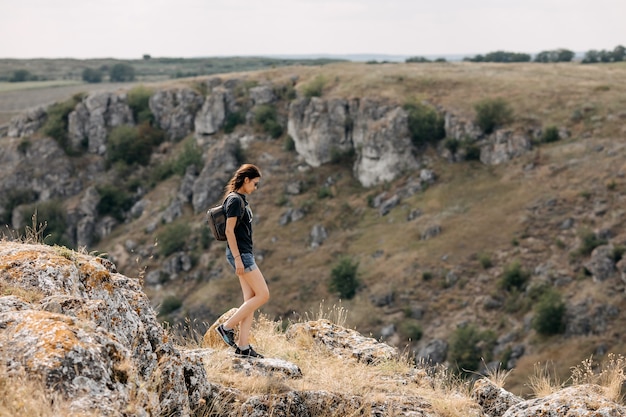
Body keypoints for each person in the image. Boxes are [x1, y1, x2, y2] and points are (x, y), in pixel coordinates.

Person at [215, 164, 269, 358]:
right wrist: (238, 259)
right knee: (263, 295)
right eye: (255, 183)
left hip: (244, 254)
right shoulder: (235, 201)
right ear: (246, 180)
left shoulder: (239, 199)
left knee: (250, 300)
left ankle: (244, 347)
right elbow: (229, 231)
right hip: (241, 255)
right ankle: (226, 327)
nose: (255, 187)